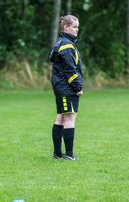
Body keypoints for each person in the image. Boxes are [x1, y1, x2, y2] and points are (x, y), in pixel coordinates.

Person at [49, 15, 83, 161]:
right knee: (69, 120)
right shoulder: (67, 46)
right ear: (66, 27)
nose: (77, 30)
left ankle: (57, 154)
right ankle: (68, 154)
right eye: (74, 27)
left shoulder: (61, 43)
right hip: (67, 88)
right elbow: (70, 70)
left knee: (61, 119)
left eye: (77, 27)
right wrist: (77, 88)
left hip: (61, 87)